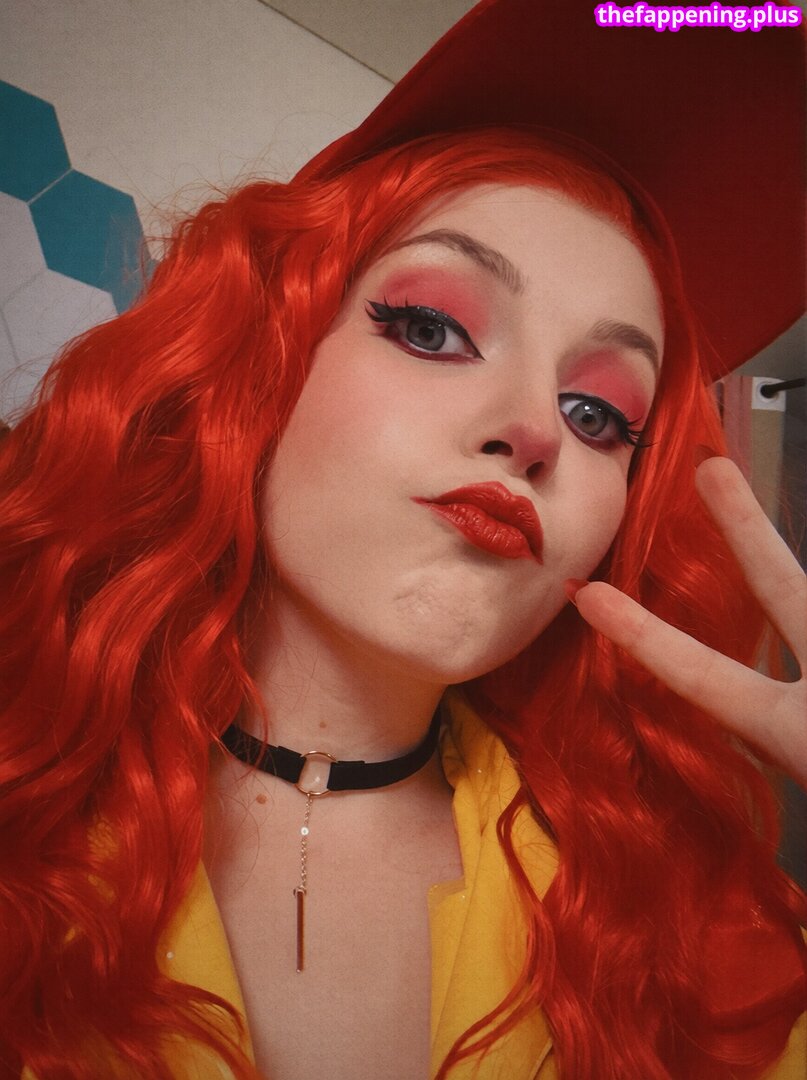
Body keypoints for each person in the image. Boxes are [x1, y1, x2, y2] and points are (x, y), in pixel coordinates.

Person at [1, 3, 805, 1078]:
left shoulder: (680, 919)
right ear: (263, 359)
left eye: (597, 414)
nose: (531, 430)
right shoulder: (24, 770)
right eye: (432, 329)